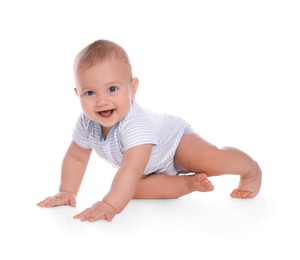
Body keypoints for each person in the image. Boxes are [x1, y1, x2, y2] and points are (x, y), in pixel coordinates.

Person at [37, 39, 262, 222]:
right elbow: (76, 158)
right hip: (150, 167)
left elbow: (132, 169)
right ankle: (187, 184)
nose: (102, 101)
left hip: (175, 144)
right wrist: (67, 191)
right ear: (78, 94)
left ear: (132, 88)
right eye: (90, 93)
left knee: (211, 160)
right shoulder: (86, 124)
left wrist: (109, 205)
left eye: (112, 89)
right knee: (132, 190)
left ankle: (250, 169)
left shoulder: (135, 124)